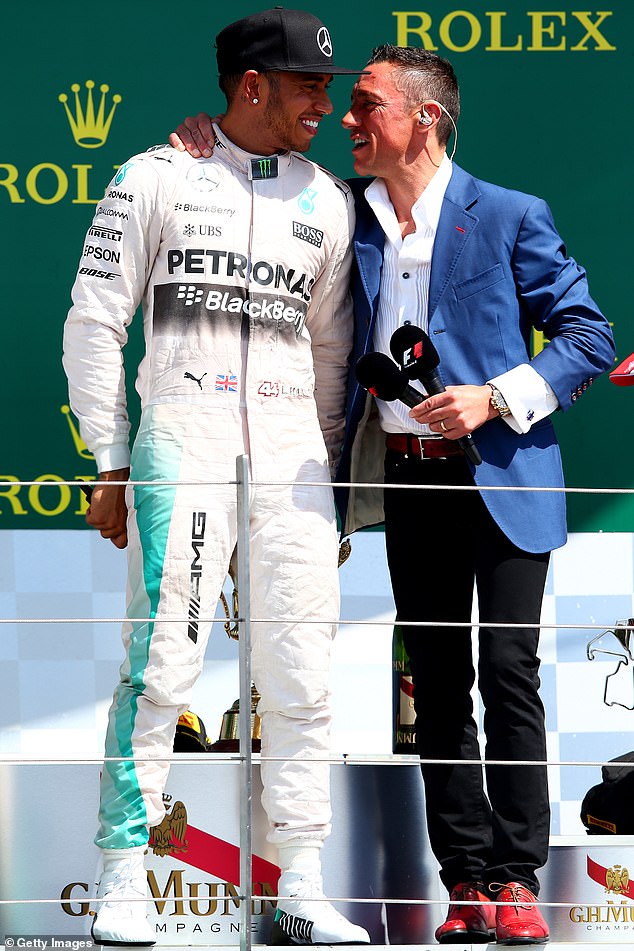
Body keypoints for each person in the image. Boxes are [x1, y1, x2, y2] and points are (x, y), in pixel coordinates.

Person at [171, 42, 615, 947]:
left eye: (367, 104)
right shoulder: (341, 209)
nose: (346, 118)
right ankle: (466, 879)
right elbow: (254, 183)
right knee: (438, 684)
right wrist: (200, 147)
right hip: (409, 480)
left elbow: (587, 334)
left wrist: (496, 397)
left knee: (510, 672)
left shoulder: (510, 213)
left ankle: (518, 876)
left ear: (426, 119)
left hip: (504, 474)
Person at [62, 8, 371, 946]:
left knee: (303, 674)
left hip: (292, 459)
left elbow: (332, 352)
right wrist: (111, 456)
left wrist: (326, 482)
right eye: (310, 87)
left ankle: (302, 879)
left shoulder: (328, 200)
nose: (326, 105)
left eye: (330, 88)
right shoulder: (154, 175)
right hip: (185, 443)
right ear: (252, 85)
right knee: (163, 663)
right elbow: (94, 322)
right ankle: (124, 873)